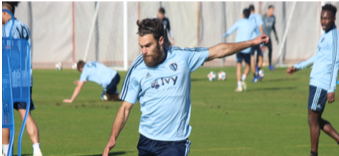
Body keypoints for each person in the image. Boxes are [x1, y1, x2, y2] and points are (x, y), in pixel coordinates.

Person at [102, 18, 268, 156]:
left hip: (175, 143)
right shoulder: (137, 68)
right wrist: (112, 137)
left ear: (160, 40)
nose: (144, 51)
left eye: (148, 46)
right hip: (147, 141)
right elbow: (125, 108)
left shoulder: (182, 57)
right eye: (141, 46)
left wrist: (252, 42)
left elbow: (218, 51)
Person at [286, 4, 339, 156]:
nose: (323, 21)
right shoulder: (324, 36)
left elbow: (336, 62)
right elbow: (318, 57)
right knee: (314, 119)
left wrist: (331, 88)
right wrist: (298, 66)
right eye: (322, 18)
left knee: (312, 119)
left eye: (327, 18)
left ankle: (313, 153)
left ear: (334, 19)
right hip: (315, 82)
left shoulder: (334, 36)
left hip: (321, 84)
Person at [2, 1, 43, 156]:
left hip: (9, 78)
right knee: (26, 115)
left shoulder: (7, 29)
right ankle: (37, 149)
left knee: (5, 116)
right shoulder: (23, 26)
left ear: (4, 12)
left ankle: (6, 152)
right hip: (25, 78)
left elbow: (8, 53)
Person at [222, 9, 258, 92]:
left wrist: (224, 35)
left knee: (239, 67)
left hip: (238, 47)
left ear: (243, 15)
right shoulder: (253, 24)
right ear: (249, 15)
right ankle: (243, 78)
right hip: (247, 48)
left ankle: (239, 86)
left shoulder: (239, 22)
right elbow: (257, 34)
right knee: (248, 66)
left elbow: (230, 31)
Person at [249, 4, 264, 82]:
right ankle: (258, 71)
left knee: (252, 58)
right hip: (258, 40)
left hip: (251, 41)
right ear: (254, 9)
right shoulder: (258, 17)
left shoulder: (248, 17)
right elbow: (261, 28)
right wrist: (263, 41)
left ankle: (255, 76)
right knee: (260, 57)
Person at [262, 5, 279, 71]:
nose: (272, 12)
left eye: (273, 10)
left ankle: (270, 65)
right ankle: (258, 66)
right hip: (263, 37)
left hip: (268, 37)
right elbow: (260, 27)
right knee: (260, 52)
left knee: (270, 50)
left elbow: (273, 28)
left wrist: (276, 37)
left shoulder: (273, 18)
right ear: (268, 10)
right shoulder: (264, 17)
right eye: (271, 10)